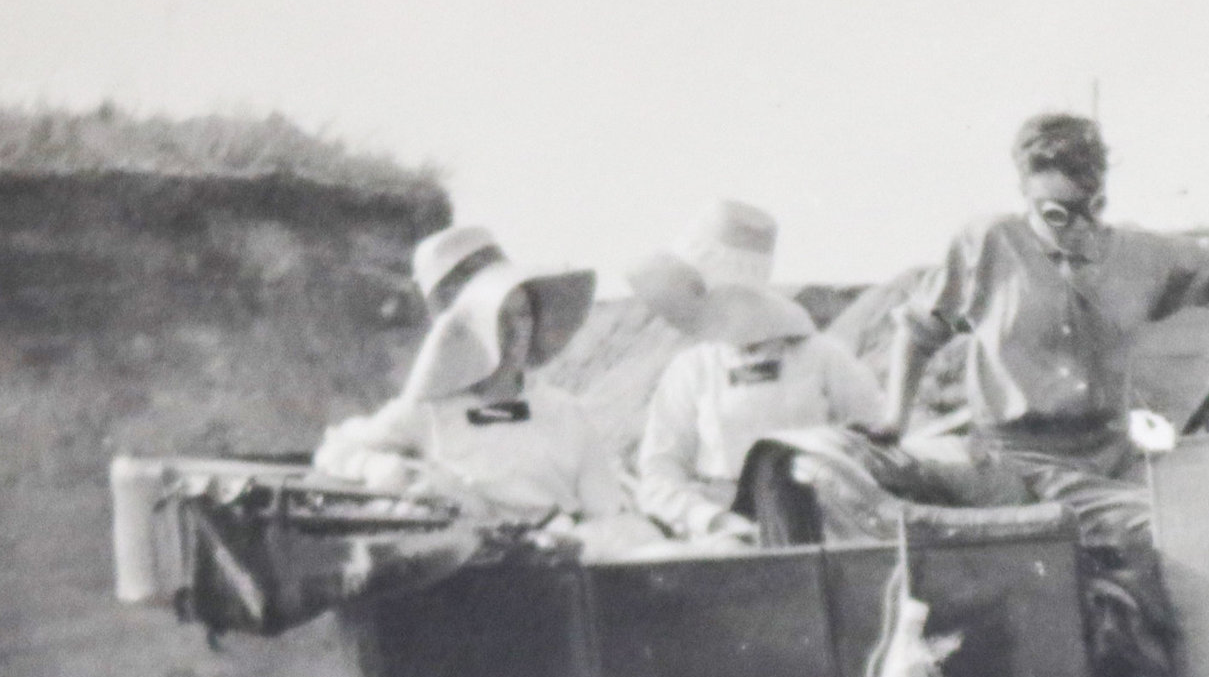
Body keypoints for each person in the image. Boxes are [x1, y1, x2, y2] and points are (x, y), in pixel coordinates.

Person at [866, 112, 1209, 561]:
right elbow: (918, 329)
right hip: (1015, 466)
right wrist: (894, 420)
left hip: (1112, 464)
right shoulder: (990, 243)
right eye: (1057, 215)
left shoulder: (1137, 256)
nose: (1079, 230)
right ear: (1024, 194)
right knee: (1177, 529)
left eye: (1092, 209)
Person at [314, 224, 642, 547]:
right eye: (500, 317)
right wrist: (389, 468)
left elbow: (607, 514)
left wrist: (570, 540)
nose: (517, 331)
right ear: (471, 330)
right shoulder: (430, 410)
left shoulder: (566, 413)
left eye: (523, 314)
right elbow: (338, 449)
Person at [633, 280, 885, 543]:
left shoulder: (824, 356)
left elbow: (875, 440)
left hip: (818, 521)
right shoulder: (691, 368)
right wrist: (712, 519)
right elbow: (658, 474)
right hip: (725, 532)